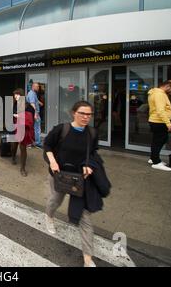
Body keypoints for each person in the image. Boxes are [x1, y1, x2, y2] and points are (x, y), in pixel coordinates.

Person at [43, 101, 110, 267]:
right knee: (55, 201)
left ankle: (88, 258)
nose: (86, 117)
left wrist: (89, 165)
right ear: (74, 113)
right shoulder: (62, 129)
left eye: (89, 114)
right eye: (82, 113)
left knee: (85, 217)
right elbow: (47, 145)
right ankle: (49, 216)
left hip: (80, 179)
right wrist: (52, 161)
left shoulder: (92, 133)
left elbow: (93, 153)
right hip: (59, 175)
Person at [148, 80, 171, 171]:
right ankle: (156, 162)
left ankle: (153, 158)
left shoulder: (157, 93)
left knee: (158, 141)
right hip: (159, 122)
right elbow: (160, 110)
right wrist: (168, 124)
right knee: (159, 141)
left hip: (157, 121)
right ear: (167, 86)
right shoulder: (159, 94)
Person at [11, 89, 35, 177]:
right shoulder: (14, 105)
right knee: (14, 146)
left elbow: (31, 120)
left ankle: (22, 168)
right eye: (15, 95)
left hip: (24, 129)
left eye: (17, 95)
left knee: (23, 148)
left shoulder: (29, 107)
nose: (16, 97)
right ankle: (13, 157)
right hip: (14, 128)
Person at [27, 83, 42, 148]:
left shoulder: (33, 93)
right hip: (34, 113)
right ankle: (37, 143)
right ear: (33, 87)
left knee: (34, 128)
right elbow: (32, 104)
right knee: (37, 128)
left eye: (38, 87)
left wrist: (39, 102)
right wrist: (35, 114)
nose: (38, 88)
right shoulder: (31, 94)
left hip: (33, 113)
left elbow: (35, 100)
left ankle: (33, 142)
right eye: (37, 87)